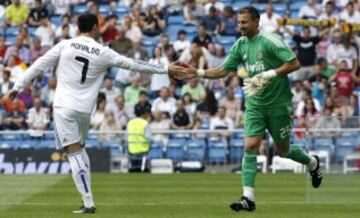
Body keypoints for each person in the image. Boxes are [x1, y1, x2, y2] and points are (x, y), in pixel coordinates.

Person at [4, 13, 188, 214]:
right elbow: (134, 64)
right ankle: (88, 200)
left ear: (77, 28)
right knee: (80, 150)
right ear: (94, 28)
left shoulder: (65, 45)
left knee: (72, 153)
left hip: (63, 107)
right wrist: (166, 68)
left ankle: (88, 203)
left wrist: (17, 86)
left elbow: (38, 65)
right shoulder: (103, 52)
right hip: (85, 109)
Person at [181, 6, 322, 212]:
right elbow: (223, 70)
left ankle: (312, 163)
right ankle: (248, 197)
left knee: (283, 150)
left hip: (279, 105)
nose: (240, 26)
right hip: (255, 104)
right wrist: (198, 72)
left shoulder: (271, 40)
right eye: (238, 23)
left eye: (244, 22)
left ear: (257, 21)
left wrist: (270, 74)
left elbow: (294, 64)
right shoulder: (240, 45)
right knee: (250, 145)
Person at [126, 106, 151, 172]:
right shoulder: (145, 123)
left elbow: (126, 137)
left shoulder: (130, 123)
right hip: (143, 151)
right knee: (143, 172)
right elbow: (149, 138)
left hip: (132, 151)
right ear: (144, 114)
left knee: (133, 171)